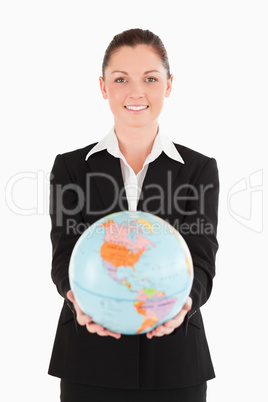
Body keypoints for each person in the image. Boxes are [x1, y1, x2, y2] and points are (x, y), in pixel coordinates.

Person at [48, 28, 219, 402]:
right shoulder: (71, 168)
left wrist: (184, 304)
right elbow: (64, 255)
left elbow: (202, 259)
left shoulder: (199, 170)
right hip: (88, 359)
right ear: (103, 86)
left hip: (175, 361)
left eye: (151, 79)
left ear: (169, 85)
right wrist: (77, 299)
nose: (136, 91)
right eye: (121, 79)